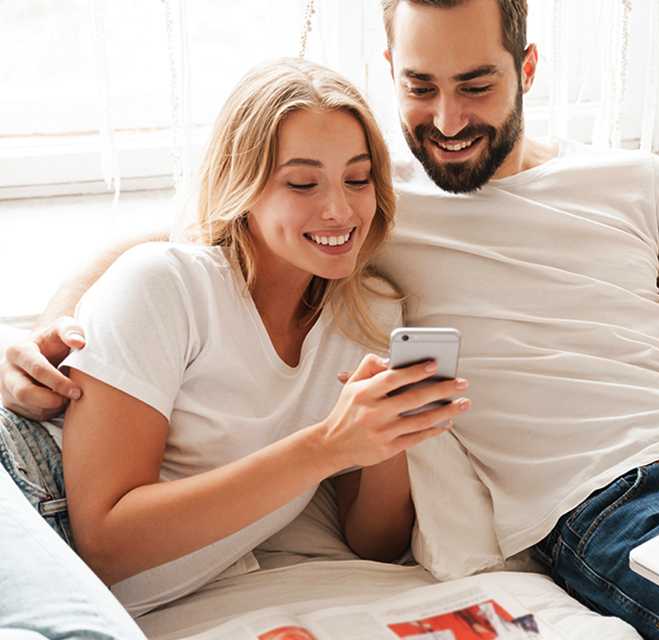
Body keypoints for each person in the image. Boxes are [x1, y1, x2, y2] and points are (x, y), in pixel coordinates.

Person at [2, 1, 659, 637]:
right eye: (420, 88)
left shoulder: (627, 183)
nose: (447, 119)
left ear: (527, 65)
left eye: (476, 86)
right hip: (612, 505)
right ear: (390, 71)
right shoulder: (366, 207)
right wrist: (41, 322)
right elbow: (183, 234)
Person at [0, 57, 470, 636]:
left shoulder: (366, 317)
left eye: (357, 177)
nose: (340, 210)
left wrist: (384, 438)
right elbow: (106, 543)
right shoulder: (169, 287)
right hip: (28, 494)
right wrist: (324, 447)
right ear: (242, 186)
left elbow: (374, 543)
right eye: (302, 182)